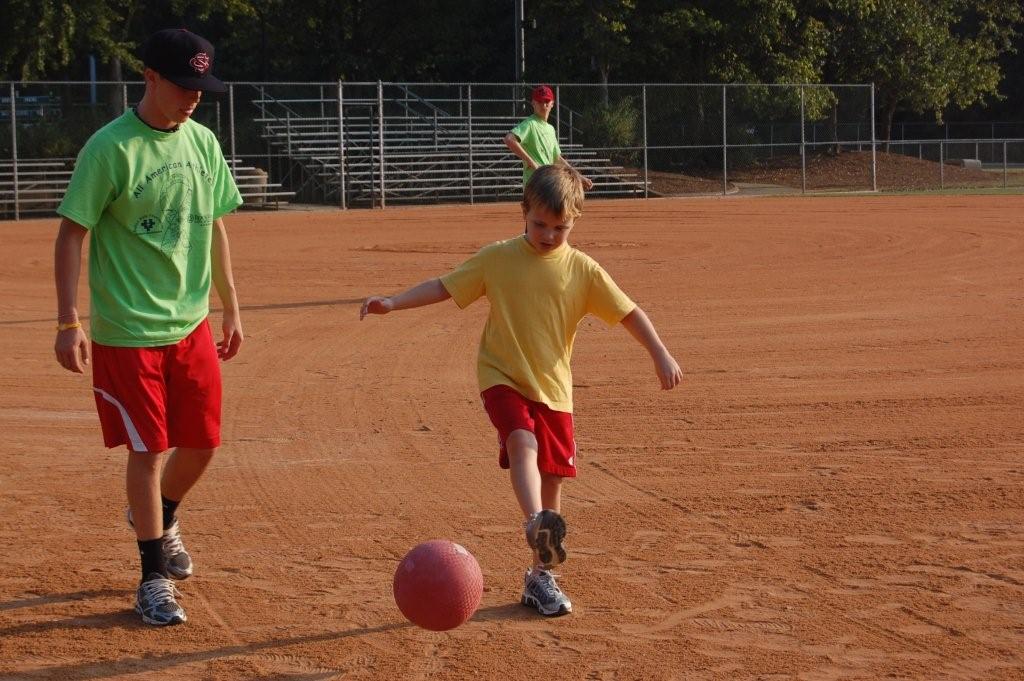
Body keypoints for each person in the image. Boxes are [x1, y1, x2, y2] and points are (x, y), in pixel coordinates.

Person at [360, 164, 682, 617]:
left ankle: (539, 576)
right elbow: (445, 286)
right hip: (502, 376)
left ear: (574, 222)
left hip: (553, 389)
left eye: (559, 228)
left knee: (552, 483)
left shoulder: (583, 270)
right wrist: (393, 302)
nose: (548, 235)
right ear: (523, 211)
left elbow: (630, 312)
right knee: (521, 442)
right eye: (539, 225)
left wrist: (659, 353)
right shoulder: (498, 258)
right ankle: (534, 521)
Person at [53, 28, 244, 626]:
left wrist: (231, 305)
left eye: (202, 87)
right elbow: (71, 234)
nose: (194, 97)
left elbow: (215, 226)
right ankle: (152, 577)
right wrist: (68, 320)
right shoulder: (110, 149)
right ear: (151, 78)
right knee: (149, 447)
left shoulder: (203, 142)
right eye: (183, 86)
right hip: (127, 332)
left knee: (204, 443)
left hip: (190, 325)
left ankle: (159, 516)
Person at [503, 84, 595, 190]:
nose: (543, 105)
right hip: (535, 184)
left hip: (548, 183)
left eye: (547, 101)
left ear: (552, 104)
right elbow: (509, 139)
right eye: (540, 101)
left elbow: (557, 159)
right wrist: (533, 164)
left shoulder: (551, 129)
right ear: (533, 103)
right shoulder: (530, 124)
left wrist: (578, 176)